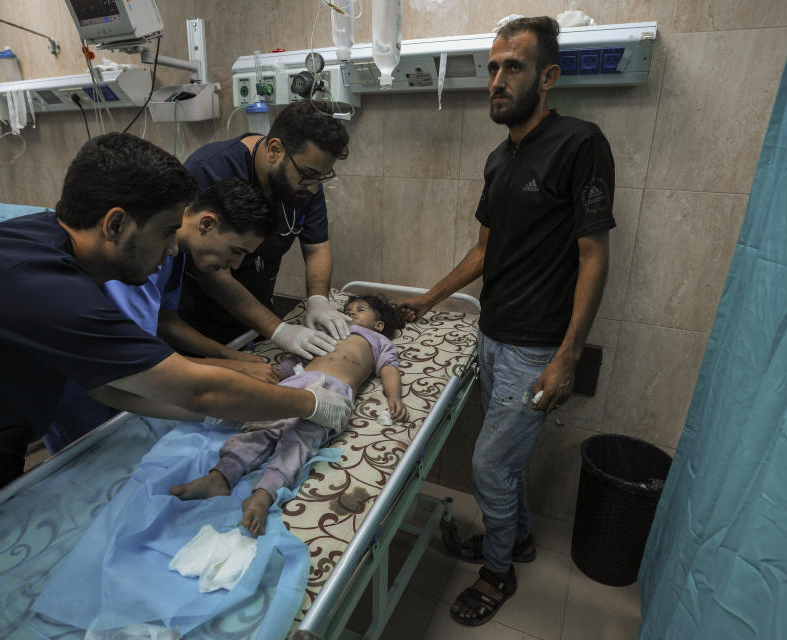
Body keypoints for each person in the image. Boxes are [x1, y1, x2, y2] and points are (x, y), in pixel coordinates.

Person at [0, 133, 353, 584]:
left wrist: (223, 410)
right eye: (163, 233)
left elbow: (106, 385)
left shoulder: (49, 246)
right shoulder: (44, 285)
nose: (171, 252)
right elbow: (192, 386)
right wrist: (306, 404)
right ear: (116, 224)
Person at [397, 17, 615, 627]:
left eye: (512, 66)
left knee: (490, 466)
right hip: (490, 336)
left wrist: (568, 354)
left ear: (548, 77)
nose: (497, 79)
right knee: (506, 461)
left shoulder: (580, 143)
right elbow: (483, 251)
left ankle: (498, 574)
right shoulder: (499, 159)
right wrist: (427, 299)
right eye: (492, 67)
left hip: (535, 347)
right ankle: (514, 539)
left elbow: (594, 255)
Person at [44, 177, 281, 454]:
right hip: (83, 386)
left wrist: (229, 356)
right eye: (236, 251)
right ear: (207, 223)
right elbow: (136, 361)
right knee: (91, 469)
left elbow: (166, 321)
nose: (236, 264)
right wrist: (232, 369)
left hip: (124, 377)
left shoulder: (176, 254)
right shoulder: (135, 258)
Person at [169, 294, 409, 536]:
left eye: (361, 309)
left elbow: (389, 368)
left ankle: (264, 494)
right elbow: (299, 356)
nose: (351, 313)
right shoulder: (328, 332)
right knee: (262, 426)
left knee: (299, 441)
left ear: (379, 325)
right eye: (347, 309)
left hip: (333, 392)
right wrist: (276, 374)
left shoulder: (377, 340)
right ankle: (221, 476)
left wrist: (394, 396)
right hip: (296, 382)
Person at [176, 100, 352, 360]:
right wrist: (278, 330)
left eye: (321, 177)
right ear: (275, 150)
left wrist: (317, 300)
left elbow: (316, 246)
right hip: (196, 328)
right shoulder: (211, 169)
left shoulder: (306, 183)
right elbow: (210, 269)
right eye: (308, 174)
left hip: (254, 323)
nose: (314, 188)